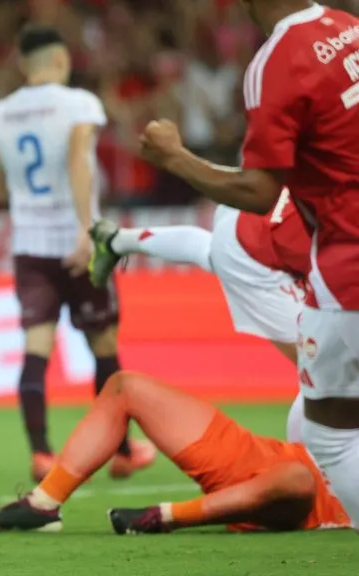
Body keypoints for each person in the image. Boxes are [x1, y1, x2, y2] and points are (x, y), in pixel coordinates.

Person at [136, 1, 359, 531]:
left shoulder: (276, 61)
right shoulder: (347, 26)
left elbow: (260, 192)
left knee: (327, 432)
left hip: (347, 261)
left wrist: (174, 157)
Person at [0, 26, 154, 482]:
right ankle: (121, 450)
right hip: (77, 242)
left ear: (24, 65)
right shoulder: (79, 104)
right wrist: (84, 230)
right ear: (61, 60)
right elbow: (79, 162)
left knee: (36, 347)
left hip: (29, 246)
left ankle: (42, 453)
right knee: (103, 345)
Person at [0, 370, 350, 534]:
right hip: (265, 454)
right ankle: (43, 504)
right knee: (126, 387)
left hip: (307, 500)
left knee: (295, 479)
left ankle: (164, 516)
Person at [88, 187, 309, 362]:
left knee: (210, 252)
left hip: (249, 203)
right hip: (252, 247)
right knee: (318, 371)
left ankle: (118, 240)